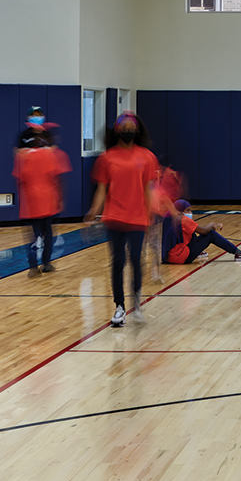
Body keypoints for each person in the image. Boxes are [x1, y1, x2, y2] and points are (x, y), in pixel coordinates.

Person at [87, 113, 158, 328]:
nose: (127, 129)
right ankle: (119, 306)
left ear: (137, 130)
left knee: (136, 260)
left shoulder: (146, 156)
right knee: (118, 262)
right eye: (123, 125)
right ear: (117, 130)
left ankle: (136, 302)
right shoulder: (106, 158)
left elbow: (147, 189)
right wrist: (93, 210)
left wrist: (150, 213)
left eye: (131, 126)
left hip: (137, 217)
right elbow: (101, 189)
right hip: (115, 217)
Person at [12, 124, 70, 278]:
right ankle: (46, 263)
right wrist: (60, 199)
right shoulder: (49, 155)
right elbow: (56, 179)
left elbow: (19, 180)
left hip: (30, 203)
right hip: (48, 201)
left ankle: (32, 266)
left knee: (32, 235)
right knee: (48, 233)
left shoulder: (22, 157)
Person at [162, 198, 241, 264]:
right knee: (211, 234)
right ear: (181, 211)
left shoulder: (170, 217)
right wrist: (212, 224)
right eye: (187, 210)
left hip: (168, 257)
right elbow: (205, 231)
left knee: (192, 229)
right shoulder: (183, 220)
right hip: (181, 257)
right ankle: (238, 253)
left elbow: (195, 227)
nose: (190, 213)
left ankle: (198, 252)